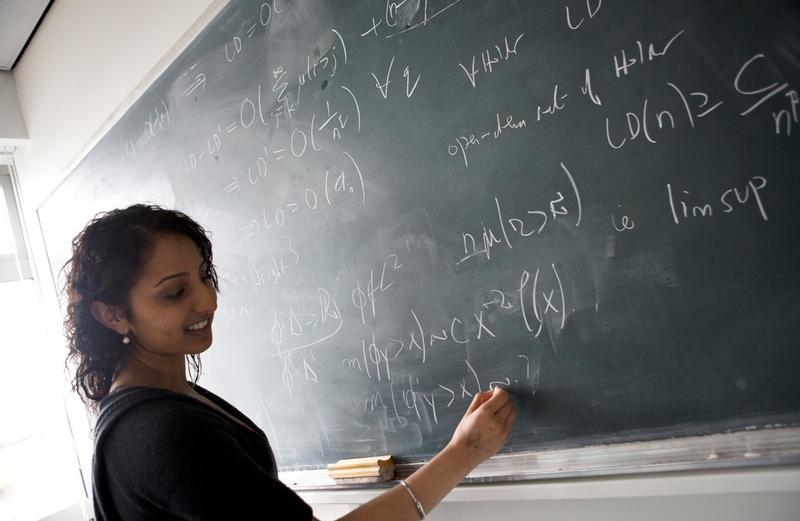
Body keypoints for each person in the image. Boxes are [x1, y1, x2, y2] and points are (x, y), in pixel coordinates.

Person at [63, 204, 517, 520]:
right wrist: (464, 454)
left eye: (204, 276)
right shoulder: (162, 433)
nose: (207, 300)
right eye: (175, 292)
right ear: (114, 314)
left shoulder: (160, 397)